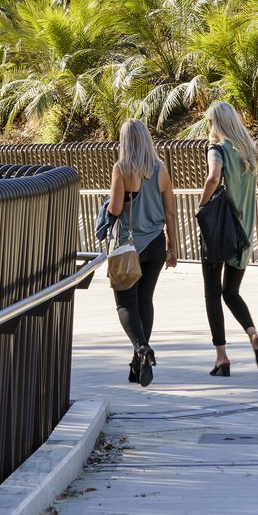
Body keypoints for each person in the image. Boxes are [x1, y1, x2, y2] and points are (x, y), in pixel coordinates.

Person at [197, 100, 258, 376]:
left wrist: (202, 204)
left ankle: (222, 357)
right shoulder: (249, 152)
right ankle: (254, 336)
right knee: (231, 292)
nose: (207, 126)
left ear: (216, 123)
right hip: (244, 231)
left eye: (208, 121)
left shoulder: (216, 148)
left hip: (219, 229)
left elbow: (213, 177)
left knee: (212, 294)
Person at [108, 118, 178, 388]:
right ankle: (138, 364)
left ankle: (141, 349)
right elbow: (170, 211)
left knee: (126, 305)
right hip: (156, 246)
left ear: (125, 141)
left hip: (129, 247)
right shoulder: (160, 169)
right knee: (145, 301)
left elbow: (115, 210)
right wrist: (172, 247)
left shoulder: (122, 168)